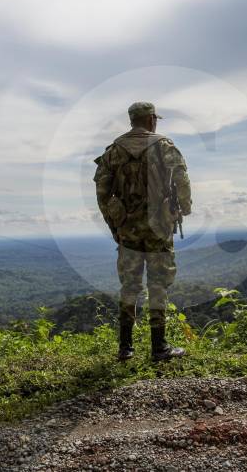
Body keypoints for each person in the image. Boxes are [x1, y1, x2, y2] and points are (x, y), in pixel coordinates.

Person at [93, 102, 192, 361]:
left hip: (128, 229)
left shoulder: (113, 151)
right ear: (150, 120)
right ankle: (159, 347)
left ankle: (125, 348)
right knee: (158, 284)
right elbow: (181, 180)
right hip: (159, 228)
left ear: (132, 120)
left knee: (129, 286)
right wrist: (184, 208)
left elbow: (102, 192)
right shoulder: (164, 146)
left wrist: (113, 221)